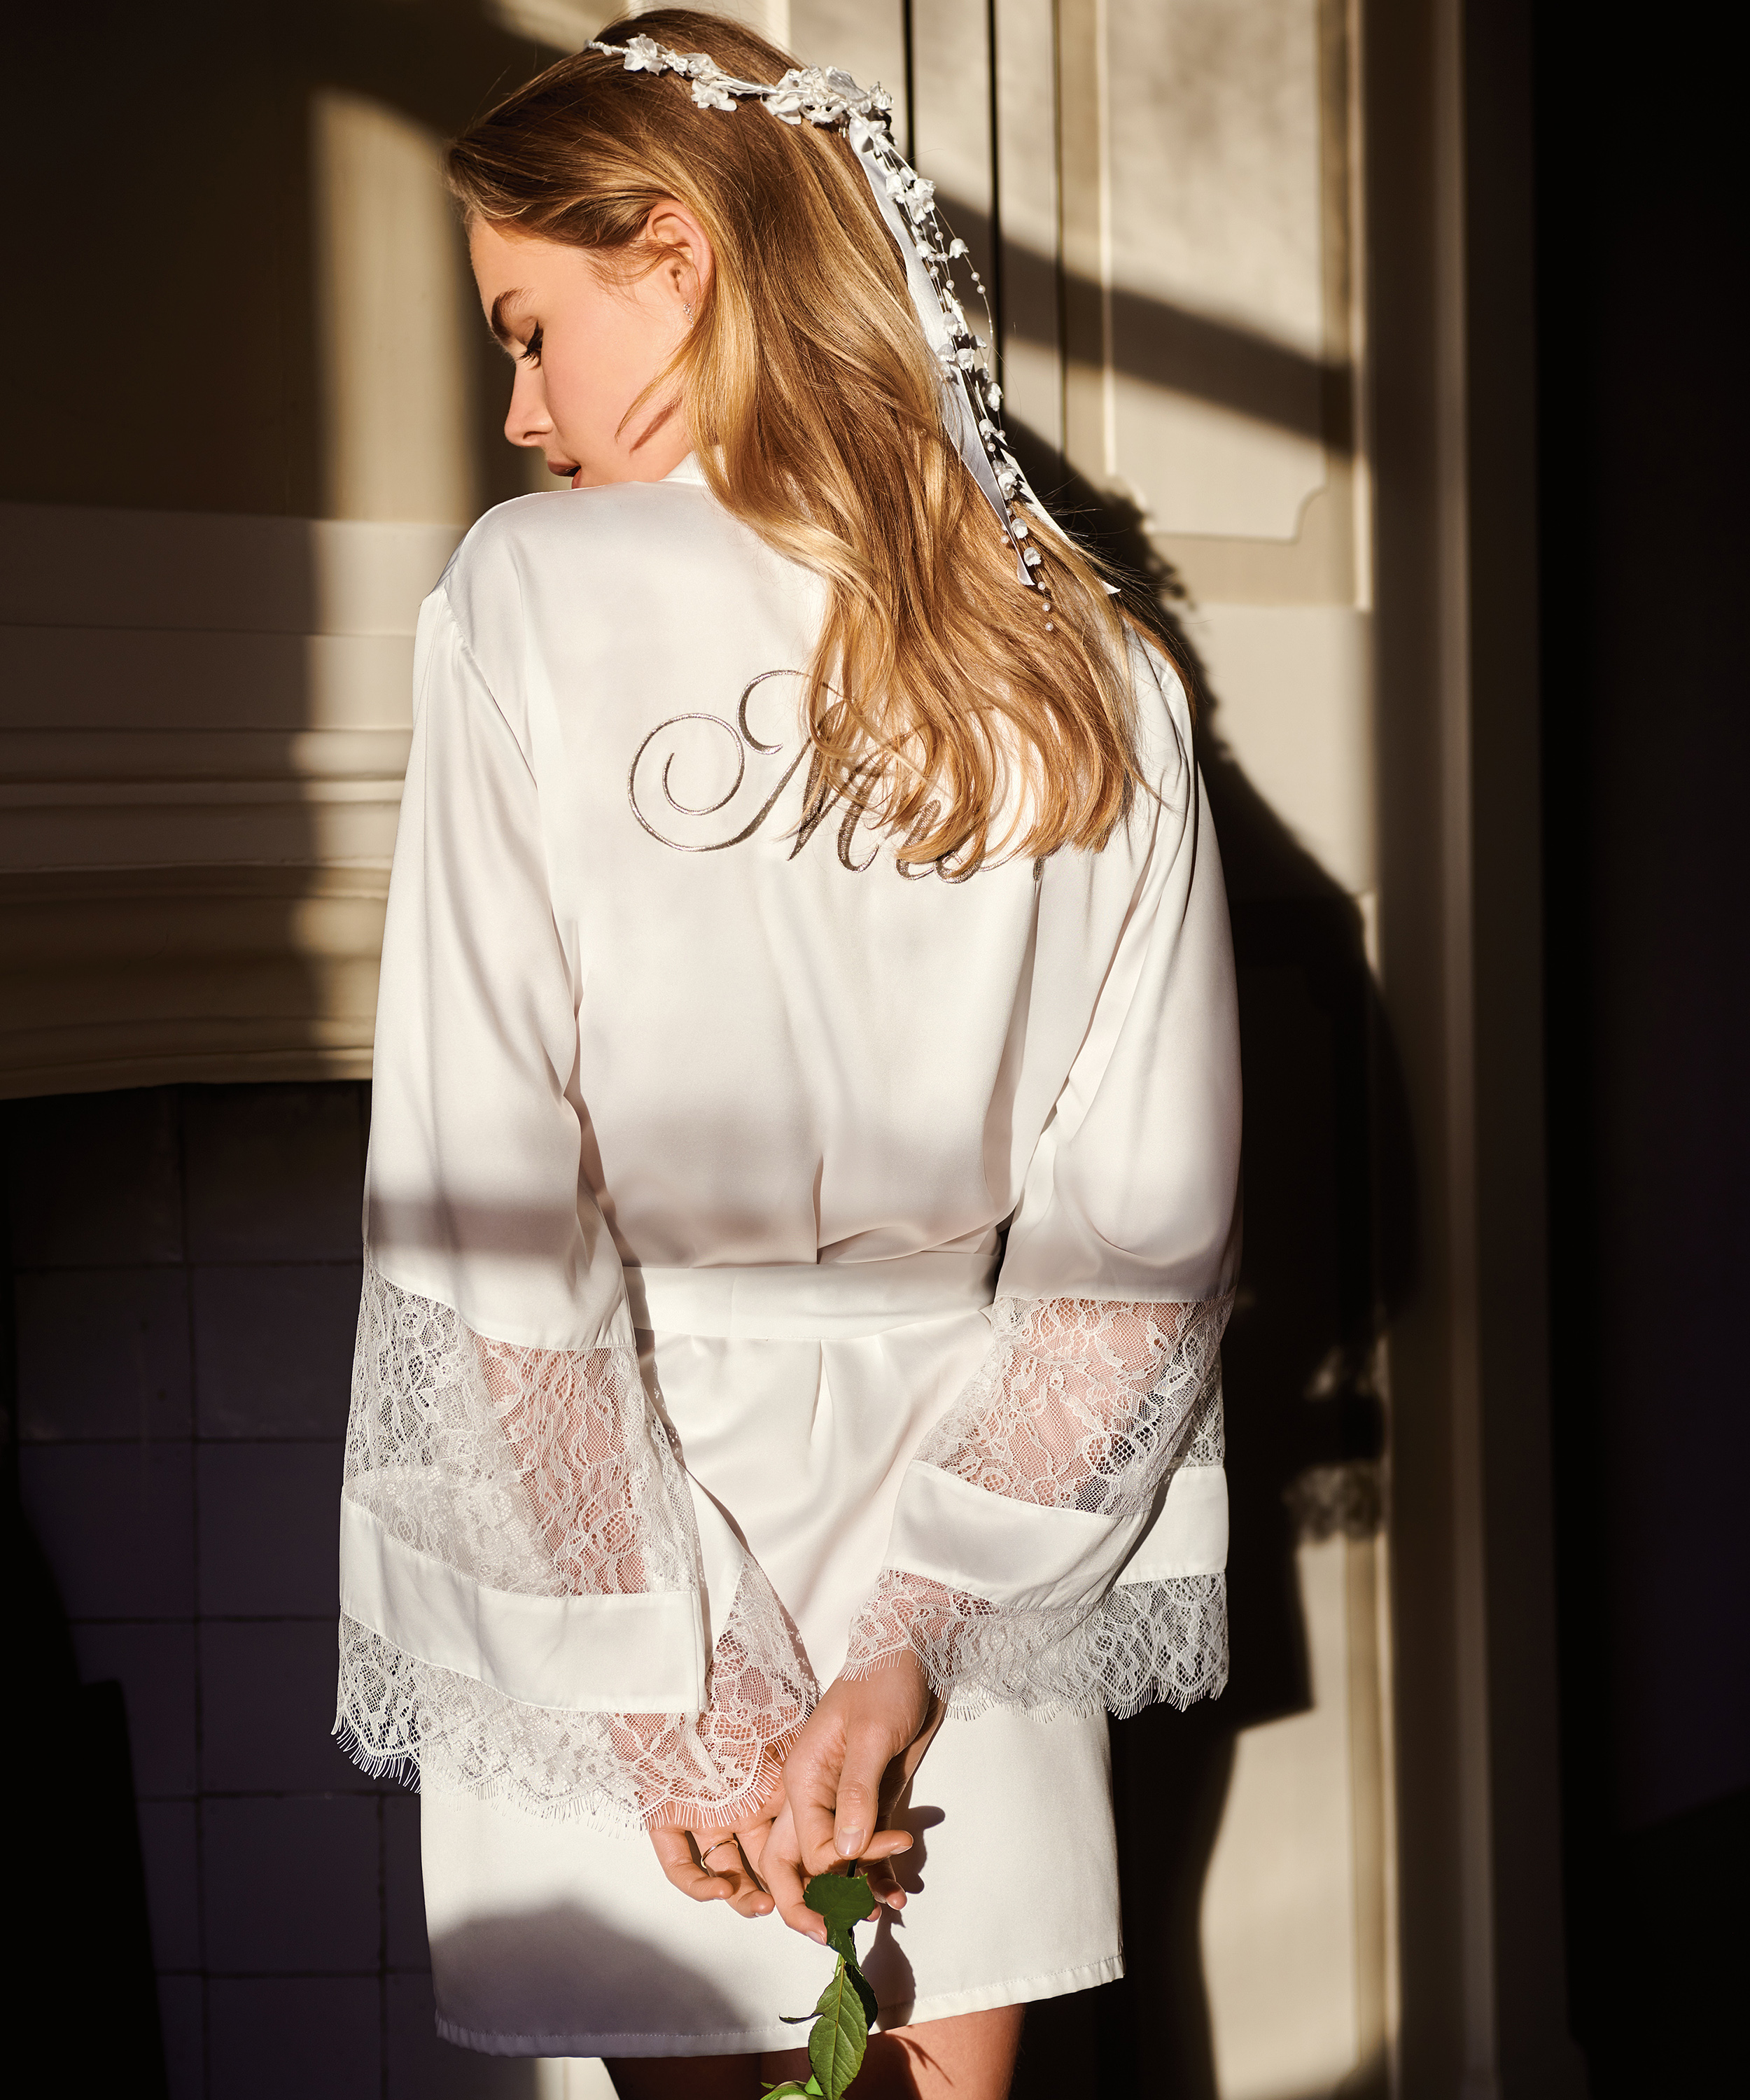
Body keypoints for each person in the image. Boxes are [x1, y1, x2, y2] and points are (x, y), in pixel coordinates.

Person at [332, 12, 1240, 2096]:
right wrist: (914, 1641)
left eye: (531, 331)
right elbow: (1142, 1228)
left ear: (679, 253)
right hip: (978, 1529)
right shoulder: (1094, 655)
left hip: (623, 1511)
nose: (519, 414)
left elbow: (487, 1199)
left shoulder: (527, 599)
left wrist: (668, 1692)